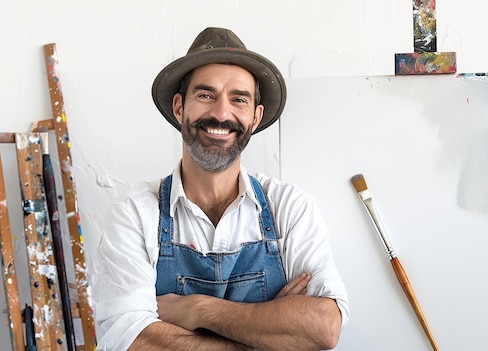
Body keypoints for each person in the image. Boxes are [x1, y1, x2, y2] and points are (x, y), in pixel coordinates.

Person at [93, 27, 349, 350]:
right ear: (178, 108)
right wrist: (268, 335)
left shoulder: (289, 208)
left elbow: (324, 327)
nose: (221, 113)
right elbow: (131, 341)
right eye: (205, 95)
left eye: (238, 99)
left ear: (255, 117)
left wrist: (196, 310)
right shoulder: (133, 215)